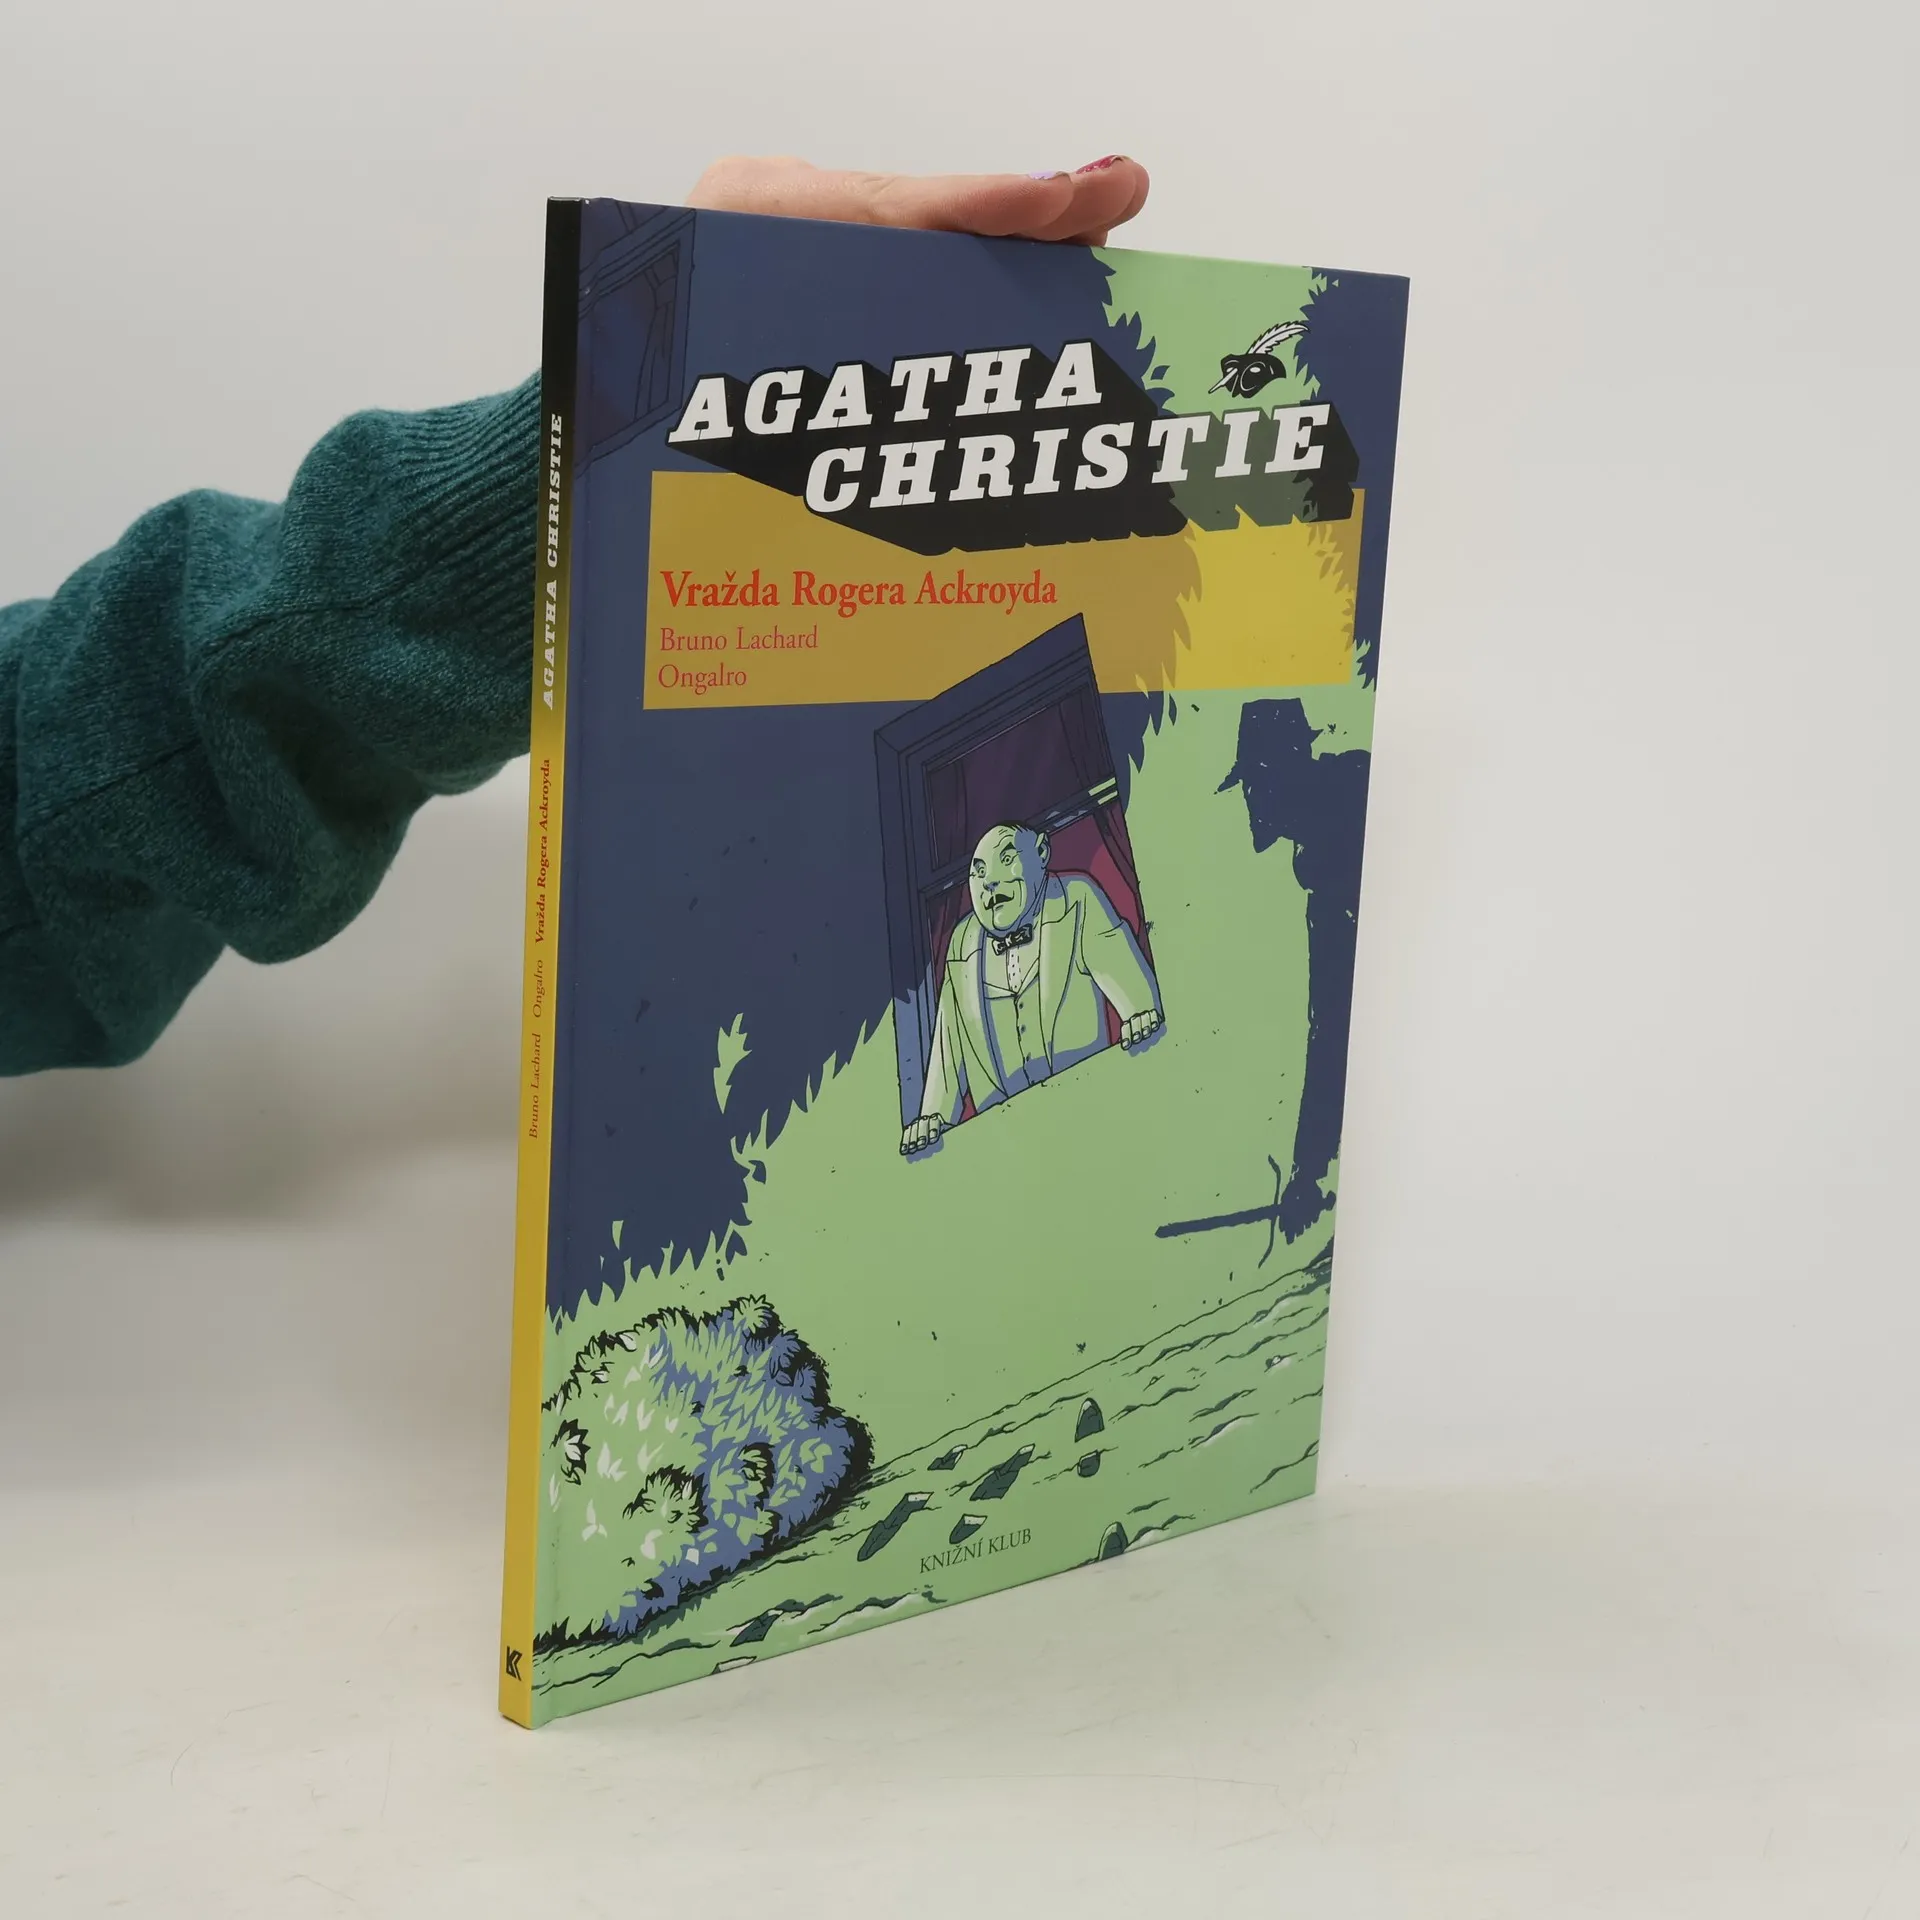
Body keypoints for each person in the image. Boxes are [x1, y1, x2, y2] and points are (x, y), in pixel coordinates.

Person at [0, 154, 1151, 1078]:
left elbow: (60, 777)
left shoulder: (1079, 909)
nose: (987, 888)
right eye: (983, 872)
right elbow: (81, 805)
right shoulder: (961, 951)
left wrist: (614, 439)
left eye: (1000, 871)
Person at [902, 821, 1163, 1156]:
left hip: (1090, 1114)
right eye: (978, 873)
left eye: (1007, 858)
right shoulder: (961, 943)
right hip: (1008, 1148)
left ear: (1041, 852)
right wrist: (932, 1120)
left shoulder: (1076, 898)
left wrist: (1140, 1014)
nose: (990, 881)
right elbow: (948, 1050)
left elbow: (1136, 997)